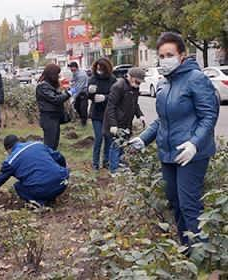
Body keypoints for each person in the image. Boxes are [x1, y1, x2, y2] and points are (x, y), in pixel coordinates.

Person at [130, 32, 219, 249]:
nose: (165, 59)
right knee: (176, 204)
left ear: (182, 55)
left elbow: (209, 115)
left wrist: (194, 143)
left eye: (170, 54)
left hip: (191, 154)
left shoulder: (196, 79)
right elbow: (163, 120)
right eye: (161, 55)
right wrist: (143, 139)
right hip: (168, 154)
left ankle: (206, 262)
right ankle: (188, 251)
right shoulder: (164, 84)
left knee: (189, 206)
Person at [0, 135, 69, 206]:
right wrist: (61, 170)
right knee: (45, 178)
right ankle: (51, 197)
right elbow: (59, 157)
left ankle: (39, 203)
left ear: (8, 149)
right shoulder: (38, 144)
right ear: (18, 141)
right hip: (63, 181)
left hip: (42, 189)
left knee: (18, 186)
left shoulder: (11, 160)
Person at [103, 67, 146, 174]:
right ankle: (113, 170)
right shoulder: (118, 86)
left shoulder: (134, 88)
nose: (138, 85)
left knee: (123, 144)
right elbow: (111, 106)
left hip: (126, 122)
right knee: (116, 145)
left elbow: (135, 104)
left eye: (139, 83)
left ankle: (119, 165)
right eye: (136, 82)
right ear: (130, 77)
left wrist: (140, 115)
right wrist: (113, 124)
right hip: (116, 123)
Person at [88, 58, 117, 170]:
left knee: (108, 138)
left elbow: (115, 96)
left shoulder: (113, 80)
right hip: (96, 113)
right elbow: (89, 96)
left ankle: (106, 161)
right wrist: (89, 92)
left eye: (102, 69)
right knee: (99, 137)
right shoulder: (93, 79)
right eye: (98, 68)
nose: (100, 71)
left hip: (108, 113)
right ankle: (95, 163)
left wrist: (105, 97)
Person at [36, 64, 71, 150]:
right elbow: (55, 99)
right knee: (50, 145)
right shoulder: (43, 86)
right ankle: (47, 162)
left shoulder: (50, 85)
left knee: (54, 143)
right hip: (48, 118)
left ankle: (51, 161)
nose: (58, 76)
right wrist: (68, 94)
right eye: (56, 74)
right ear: (51, 74)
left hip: (54, 118)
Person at [68, 61, 89, 126]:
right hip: (78, 93)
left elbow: (78, 88)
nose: (71, 69)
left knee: (83, 108)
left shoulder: (81, 75)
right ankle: (82, 119)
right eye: (70, 68)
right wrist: (70, 86)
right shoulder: (75, 73)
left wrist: (73, 97)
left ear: (76, 67)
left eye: (72, 67)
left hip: (83, 93)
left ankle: (84, 123)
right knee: (76, 106)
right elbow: (73, 83)